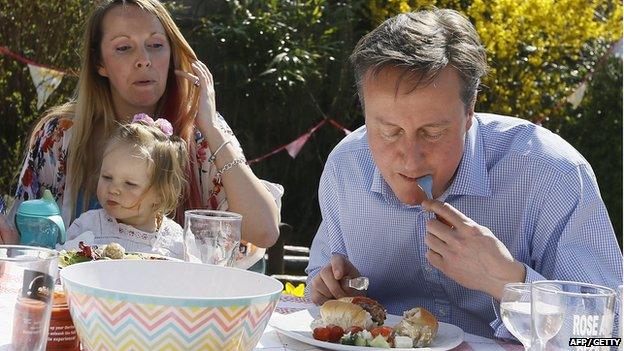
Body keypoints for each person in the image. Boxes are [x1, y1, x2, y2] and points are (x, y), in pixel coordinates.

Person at [305, 8, 623, 340]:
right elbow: (319, 285)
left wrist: (509, 284)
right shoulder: (346, 169)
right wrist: (336, 290)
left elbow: (607, 334)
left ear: (469, 114)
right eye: (389, 131)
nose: (411, 160)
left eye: (432, 132)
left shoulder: (551, 174)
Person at [0, 0, 282, 258]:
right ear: (100, 63)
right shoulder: (60, 134)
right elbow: (25, 239)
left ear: (172, 54)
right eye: (124, 47)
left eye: (156, 45)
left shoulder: (199, 132)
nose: (144, 59)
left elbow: (264, 231)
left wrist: (210, 125)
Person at [62, 115, 187, 259]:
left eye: (130, 184)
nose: (113, 189)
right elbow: (62, 264)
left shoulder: (175, 242)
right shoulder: (88, 226)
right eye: (107, 177)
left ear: (160, 193)